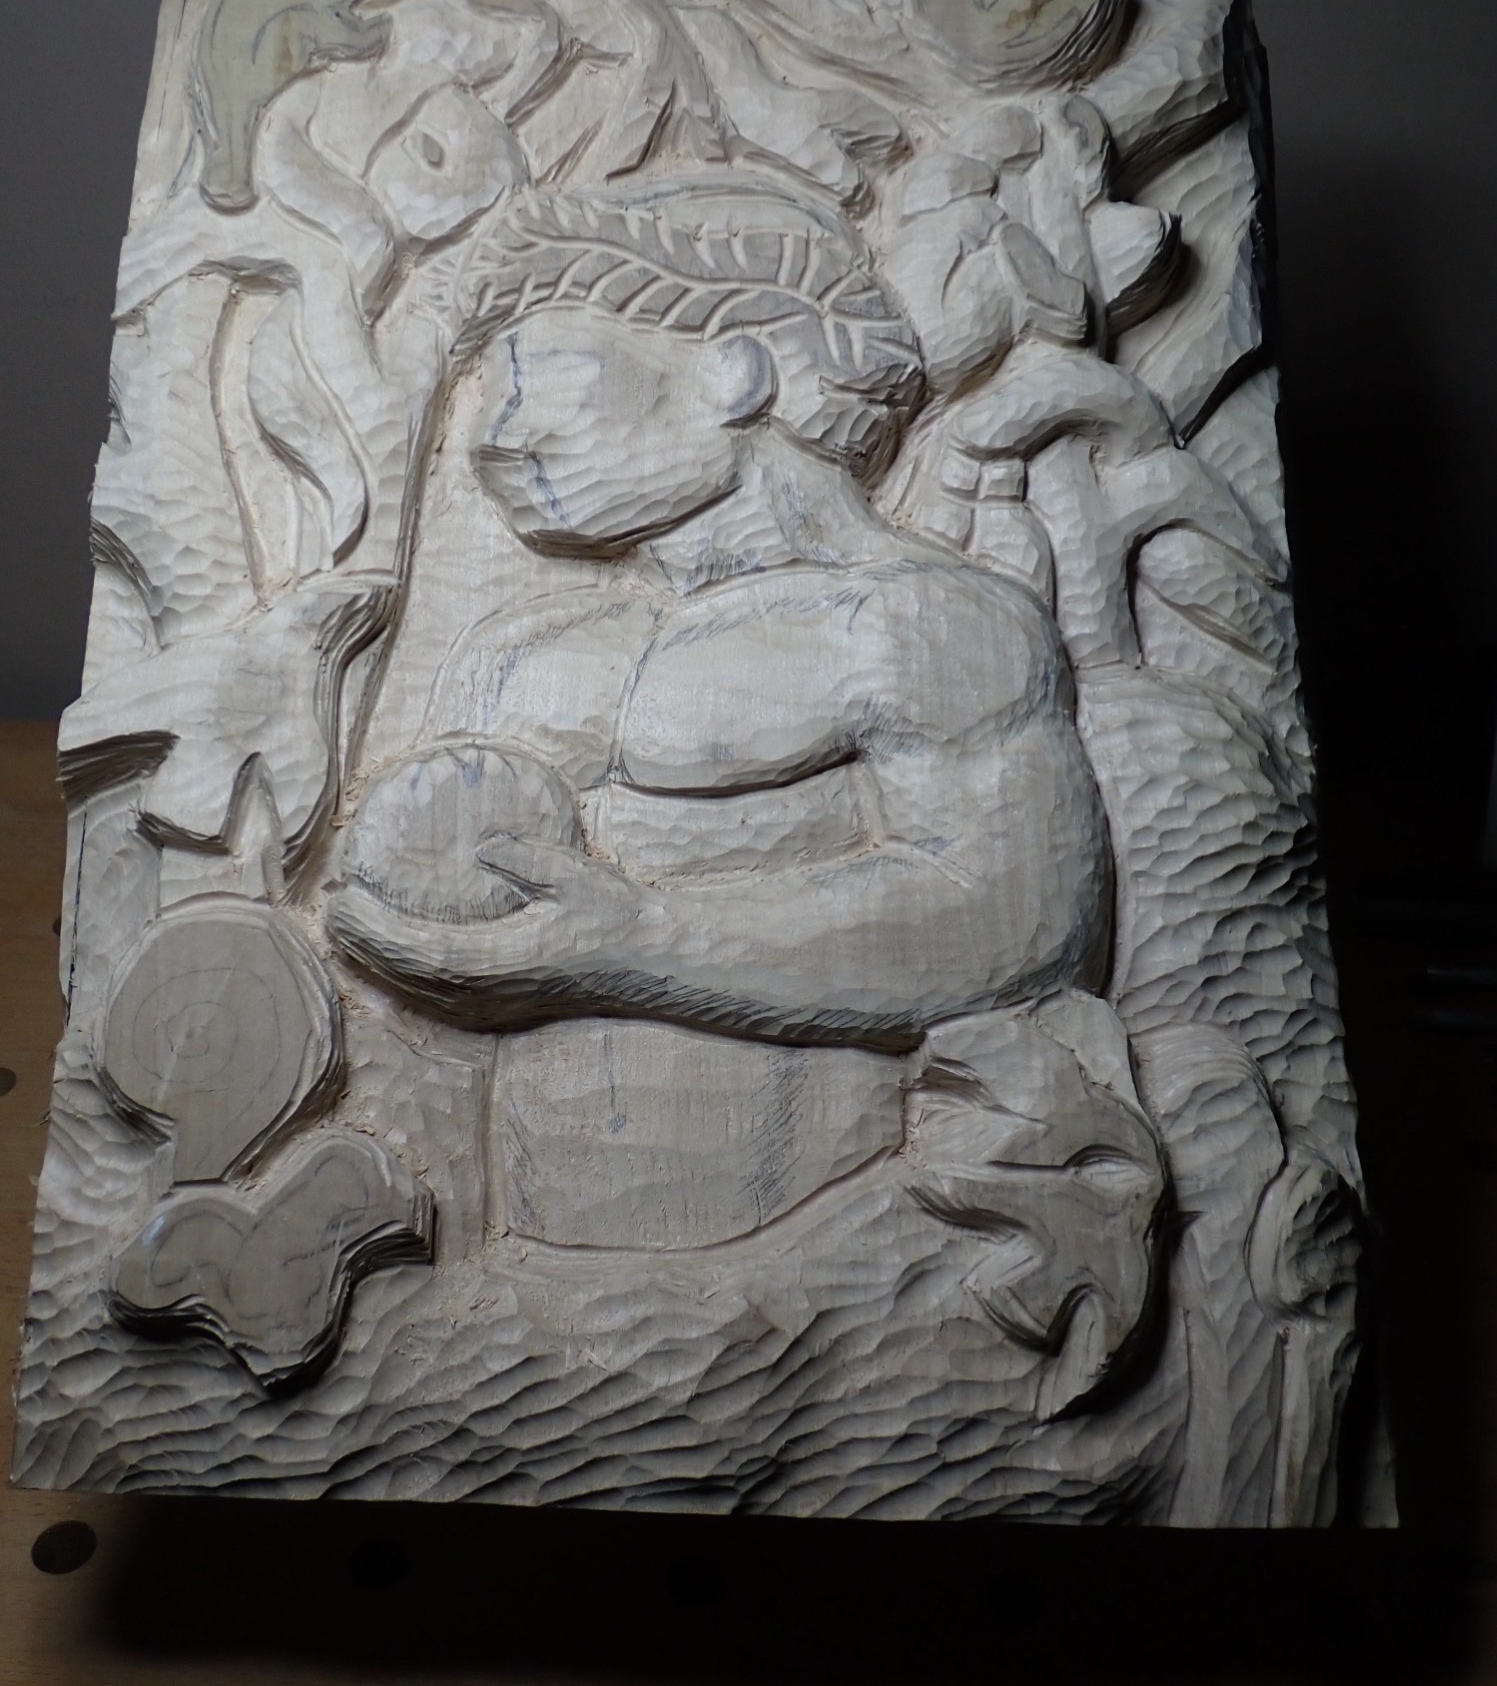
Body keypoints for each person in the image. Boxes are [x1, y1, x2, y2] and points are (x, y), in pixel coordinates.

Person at [326, 175, 1113, 1244]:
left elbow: (1019, 917)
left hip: (825, 1264)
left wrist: (643, 940)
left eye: (536, 374)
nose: (490, 440)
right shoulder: (516, 649)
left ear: (735, 370)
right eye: (484, 394)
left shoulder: (924, 622)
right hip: (529, 1270)